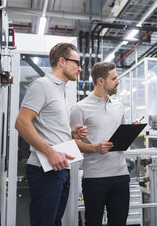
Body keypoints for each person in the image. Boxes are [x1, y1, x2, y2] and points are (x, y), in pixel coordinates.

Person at [15, 43, 112, 226]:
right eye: (76, 62)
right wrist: (50, 152)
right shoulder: (42, 85)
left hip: (60, 168)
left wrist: (71, 134)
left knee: (55, 221)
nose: (80, 68)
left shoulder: (61, 90)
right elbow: (21, 122)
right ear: (62, 61)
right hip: (45, 168)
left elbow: (48, 127)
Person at [70, 62, 132, 226]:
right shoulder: (79, 108)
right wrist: (95, 148)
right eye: (114, 78)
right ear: (100, 81)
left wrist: (130, 132)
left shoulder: (119, 107)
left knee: (119, 222)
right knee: (93, 222)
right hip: (95, 178)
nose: (118, 81)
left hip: (121, 176)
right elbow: (72, 142)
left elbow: (122, 136)